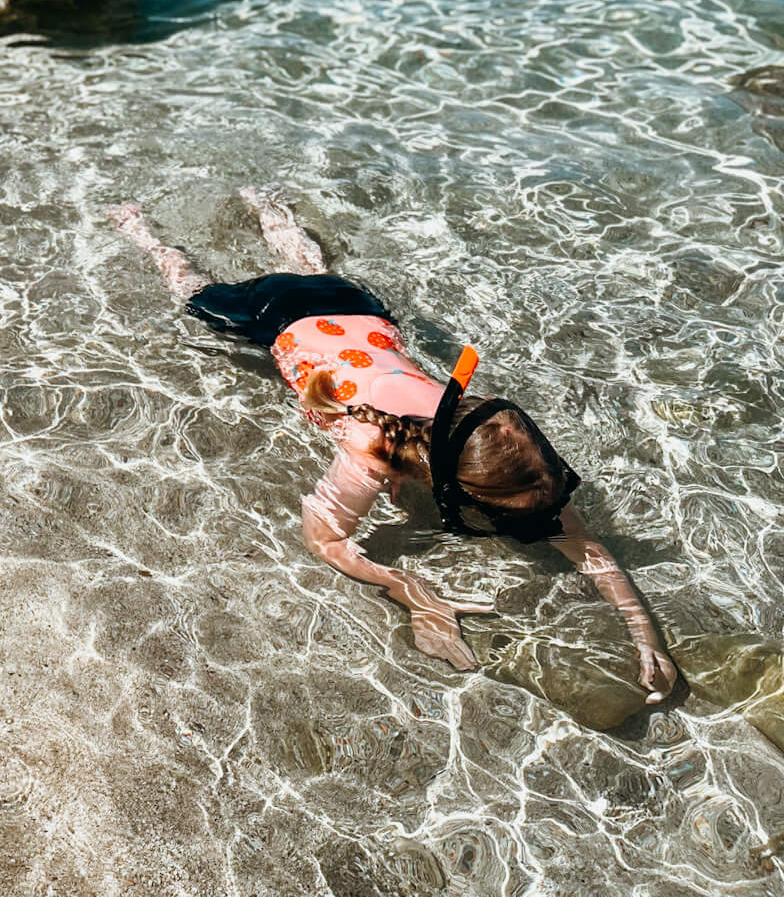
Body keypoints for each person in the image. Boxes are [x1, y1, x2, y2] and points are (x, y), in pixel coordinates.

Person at [110, 190, 677, 701]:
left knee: (307, 265)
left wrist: (647, 639)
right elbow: (323, 539)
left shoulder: (471, 429)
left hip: (359, 310)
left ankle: (261, 203)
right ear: (456, 488)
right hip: (272, 316)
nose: (545, 519)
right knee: (193, 293)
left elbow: (584, 545)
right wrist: (411, 591)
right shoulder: (368, 449)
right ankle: (142, 231)